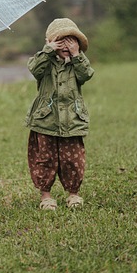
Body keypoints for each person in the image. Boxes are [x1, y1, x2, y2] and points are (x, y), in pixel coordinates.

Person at [25, 18, 94, 210]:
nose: (66, 45)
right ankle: (46, 195)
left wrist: (76, 55)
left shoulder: (78, 64)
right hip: (46, 120)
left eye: (72, 41)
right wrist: (48, 50)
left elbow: (87, 74)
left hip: (72, 119)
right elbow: (33, 68)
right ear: (51, 42)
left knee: (72, 158)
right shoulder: (45, 63)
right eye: (61, 41)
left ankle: (73, 194)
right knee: (45, 158)